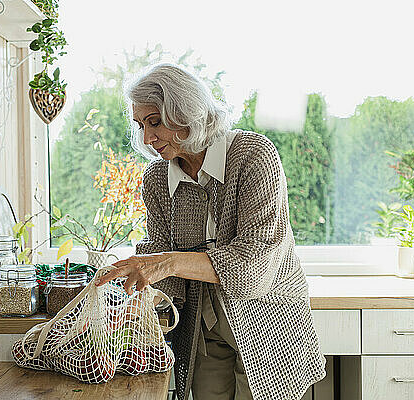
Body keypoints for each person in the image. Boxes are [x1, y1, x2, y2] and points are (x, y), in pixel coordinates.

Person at [95, 63, 326, 400]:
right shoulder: (158, 178)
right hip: (204, 330)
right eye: (141, 125)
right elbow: (159, 256)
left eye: (155, 122)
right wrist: (128, 304)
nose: (147, 138)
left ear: (185, 110)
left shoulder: (253, 156)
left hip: (269, 325)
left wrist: (169, 262)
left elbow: (254, 267)